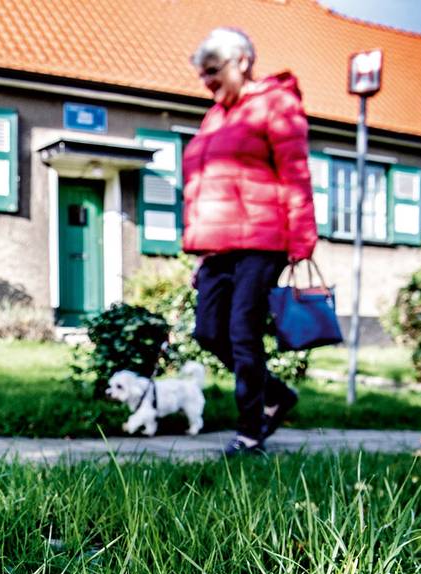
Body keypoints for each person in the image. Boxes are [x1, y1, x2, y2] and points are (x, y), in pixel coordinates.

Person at [182, 27, 317, 456]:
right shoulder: (215, 116)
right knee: (207, 330)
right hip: (218, 247)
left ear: (241, 61)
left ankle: (249, 432)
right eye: (201, 74)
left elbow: (296, 175)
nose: (206, 82)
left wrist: (301, 244)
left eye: (212, 71)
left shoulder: (277, 104)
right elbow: (207, 189)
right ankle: (276, 394)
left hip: (263, 241)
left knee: (242, 331)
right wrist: (201, 254)